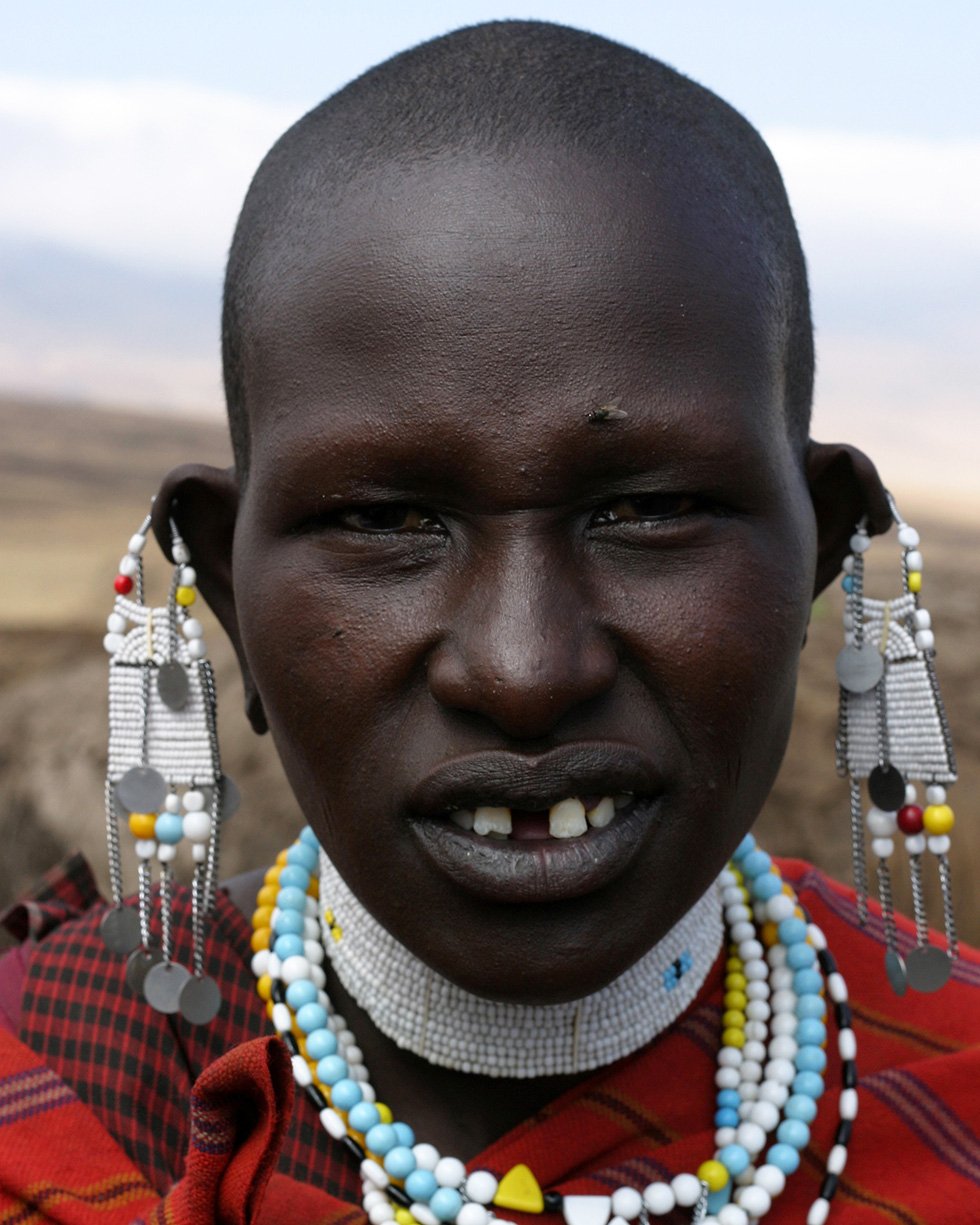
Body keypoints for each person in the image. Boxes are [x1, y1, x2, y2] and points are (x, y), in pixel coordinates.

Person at [1, 20, 978, 1225]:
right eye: (386, 519)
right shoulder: (50, 1098)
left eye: (650, 509)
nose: (522, 671)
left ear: (820, 551)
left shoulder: (949, 1089)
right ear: (230, 595)